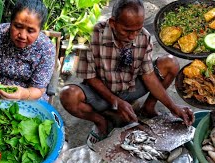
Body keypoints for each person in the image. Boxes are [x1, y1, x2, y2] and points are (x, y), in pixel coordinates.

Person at [59, 0, 194, 146]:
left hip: (131, 88)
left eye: (137, 29)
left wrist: (173, 107)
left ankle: (148, 108)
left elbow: (148, 76)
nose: (133, 36)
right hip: (101, 93)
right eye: (127, 31)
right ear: (112, 23)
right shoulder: (90, 36)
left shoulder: (143, 37)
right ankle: (101, 121)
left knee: (171, 63)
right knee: (68, 95)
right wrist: (116, 101)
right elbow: (90, 77)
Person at [0, 0, 55, 101]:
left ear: (40, 30)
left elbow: (38, 90)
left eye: (30, 31)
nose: (22, 36)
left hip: (27, 97)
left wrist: (23, 94)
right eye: (17, 26)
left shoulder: (46, 48)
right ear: (10, 22)